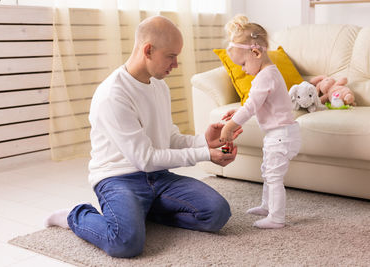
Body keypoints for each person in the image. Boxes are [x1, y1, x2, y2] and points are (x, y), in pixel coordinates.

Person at [44, 15, 242, 258]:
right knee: (126, 243)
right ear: (148, 50)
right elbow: (144, 159)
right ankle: (75, 215)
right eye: (171, 56)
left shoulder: (159, 85)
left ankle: (142, 212)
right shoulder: (113, 95)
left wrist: (205, 140)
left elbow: (168, 137)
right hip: (118, 179)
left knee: (216, 213)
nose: (176, 64)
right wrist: (204, 155)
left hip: (158, 176)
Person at [219, 15, 301, 229]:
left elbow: (251, 107)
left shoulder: (265, 77)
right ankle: (267, 206)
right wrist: (236, 112)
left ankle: (277, 217)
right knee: (268, 171)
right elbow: (256, 104)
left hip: (281, 135)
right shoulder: (269, 74)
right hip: (280, 134)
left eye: (244, 64)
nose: (244, 70)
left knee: (273, 177)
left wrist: (231, 126)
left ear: (256, 52)